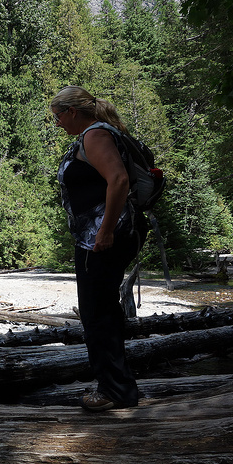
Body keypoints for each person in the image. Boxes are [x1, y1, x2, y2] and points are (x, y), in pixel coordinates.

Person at [52, 86, 147, 412]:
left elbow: (118, 180)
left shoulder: (94, 135)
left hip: (102, 239)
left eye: (58, 116)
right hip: (100, 237)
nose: (58, 123)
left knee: (97, 314)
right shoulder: (100, 133)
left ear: (72, 111)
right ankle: (117, 386)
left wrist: (105, 231)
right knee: (103, 311)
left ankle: (114, 391)